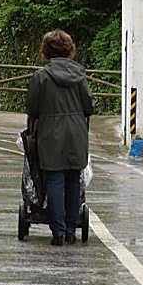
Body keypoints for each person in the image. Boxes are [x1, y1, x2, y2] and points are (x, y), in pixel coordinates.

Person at [26, 29, 93, 246]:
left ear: (45, 51)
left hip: (49, 134)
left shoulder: (41, 77)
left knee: (54, 179)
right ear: (70, 49)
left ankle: (58, 232)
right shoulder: (79, 75)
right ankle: (72, 228)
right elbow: (89, 105)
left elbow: (33, 108)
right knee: (74, 179)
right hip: (76, 133)